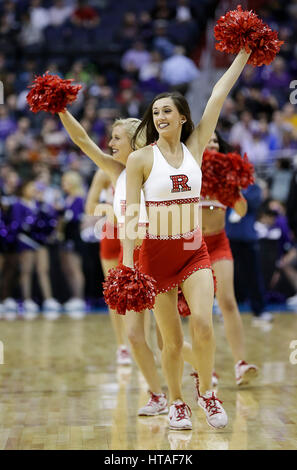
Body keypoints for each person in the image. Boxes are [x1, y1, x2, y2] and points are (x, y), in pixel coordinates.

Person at [122, 48, 251, 430]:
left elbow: (218, 93)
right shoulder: (140, 160)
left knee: (204, 325)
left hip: (194, 250)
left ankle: (208, 394)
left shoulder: (196, 148)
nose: (160, 116)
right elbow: (130, 214)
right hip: (155, 254)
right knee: (172, 342)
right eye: (155, 111)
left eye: (167, 111)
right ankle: (176, 401)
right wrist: (129, 266)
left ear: (182, 117)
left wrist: (243, 53)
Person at [58, 112, 167, 416]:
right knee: (134, 335)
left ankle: (202, 378)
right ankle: (158, 394)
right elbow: (82, 140)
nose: (110, 143)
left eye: (117, 137)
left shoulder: (157, 170)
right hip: (127, 253)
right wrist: (61, 109)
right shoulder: (112, 171)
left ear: (135, 141)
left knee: (167, 338)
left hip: (159, 256)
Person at [200, 130, 259, 386]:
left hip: (219, 241)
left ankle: (240, 363)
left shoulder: (226, 176)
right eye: (206, 140)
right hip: (194, 246)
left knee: (227, 301)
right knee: (200, 309)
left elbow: (242, 210)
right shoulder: (187, 171)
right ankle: (206, 367)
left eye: (215, 140)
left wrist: (233, 190)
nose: (211, 144)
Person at [85, 168, 132, 366]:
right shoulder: (105, 170)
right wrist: (110, 209)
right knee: (115, 293)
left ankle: (143, 342)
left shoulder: (145, 162)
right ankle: (122, 346)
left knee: (140, 290)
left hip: (135, 230)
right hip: (112, 232)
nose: (113, 143)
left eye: (118, 138)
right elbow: (90, 206)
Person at [225, 182, 273, 324]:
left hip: (248, 239)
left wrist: (237, 192)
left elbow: (252, 204)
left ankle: (260, 310)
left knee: (253, 275)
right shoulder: (226, 186)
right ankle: (226, 310)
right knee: (228, 277)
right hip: (229, 238)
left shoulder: (254, 188)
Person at [16, 180, 61, 319]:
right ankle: (27, 300)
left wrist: (43, 205)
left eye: (35, 188)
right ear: (24, 189)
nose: (34, 191)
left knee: (43, 270)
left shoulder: (39, 204)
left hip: (40, 241)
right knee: (26, 271)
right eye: (31, 188)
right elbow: (18, 223)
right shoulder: (18, 204)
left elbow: (49, 219)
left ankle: (48, 299)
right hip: (25, 240)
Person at [60, 171, 87, 319]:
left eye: (65, 182)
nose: (63, 185)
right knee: (68, 268)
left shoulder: (78, 198)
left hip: (75, 237)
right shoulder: (67, 198)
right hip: (66, 237)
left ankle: (79, 298)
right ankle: (73, 297)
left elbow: (76, 218)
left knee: (75, 268)